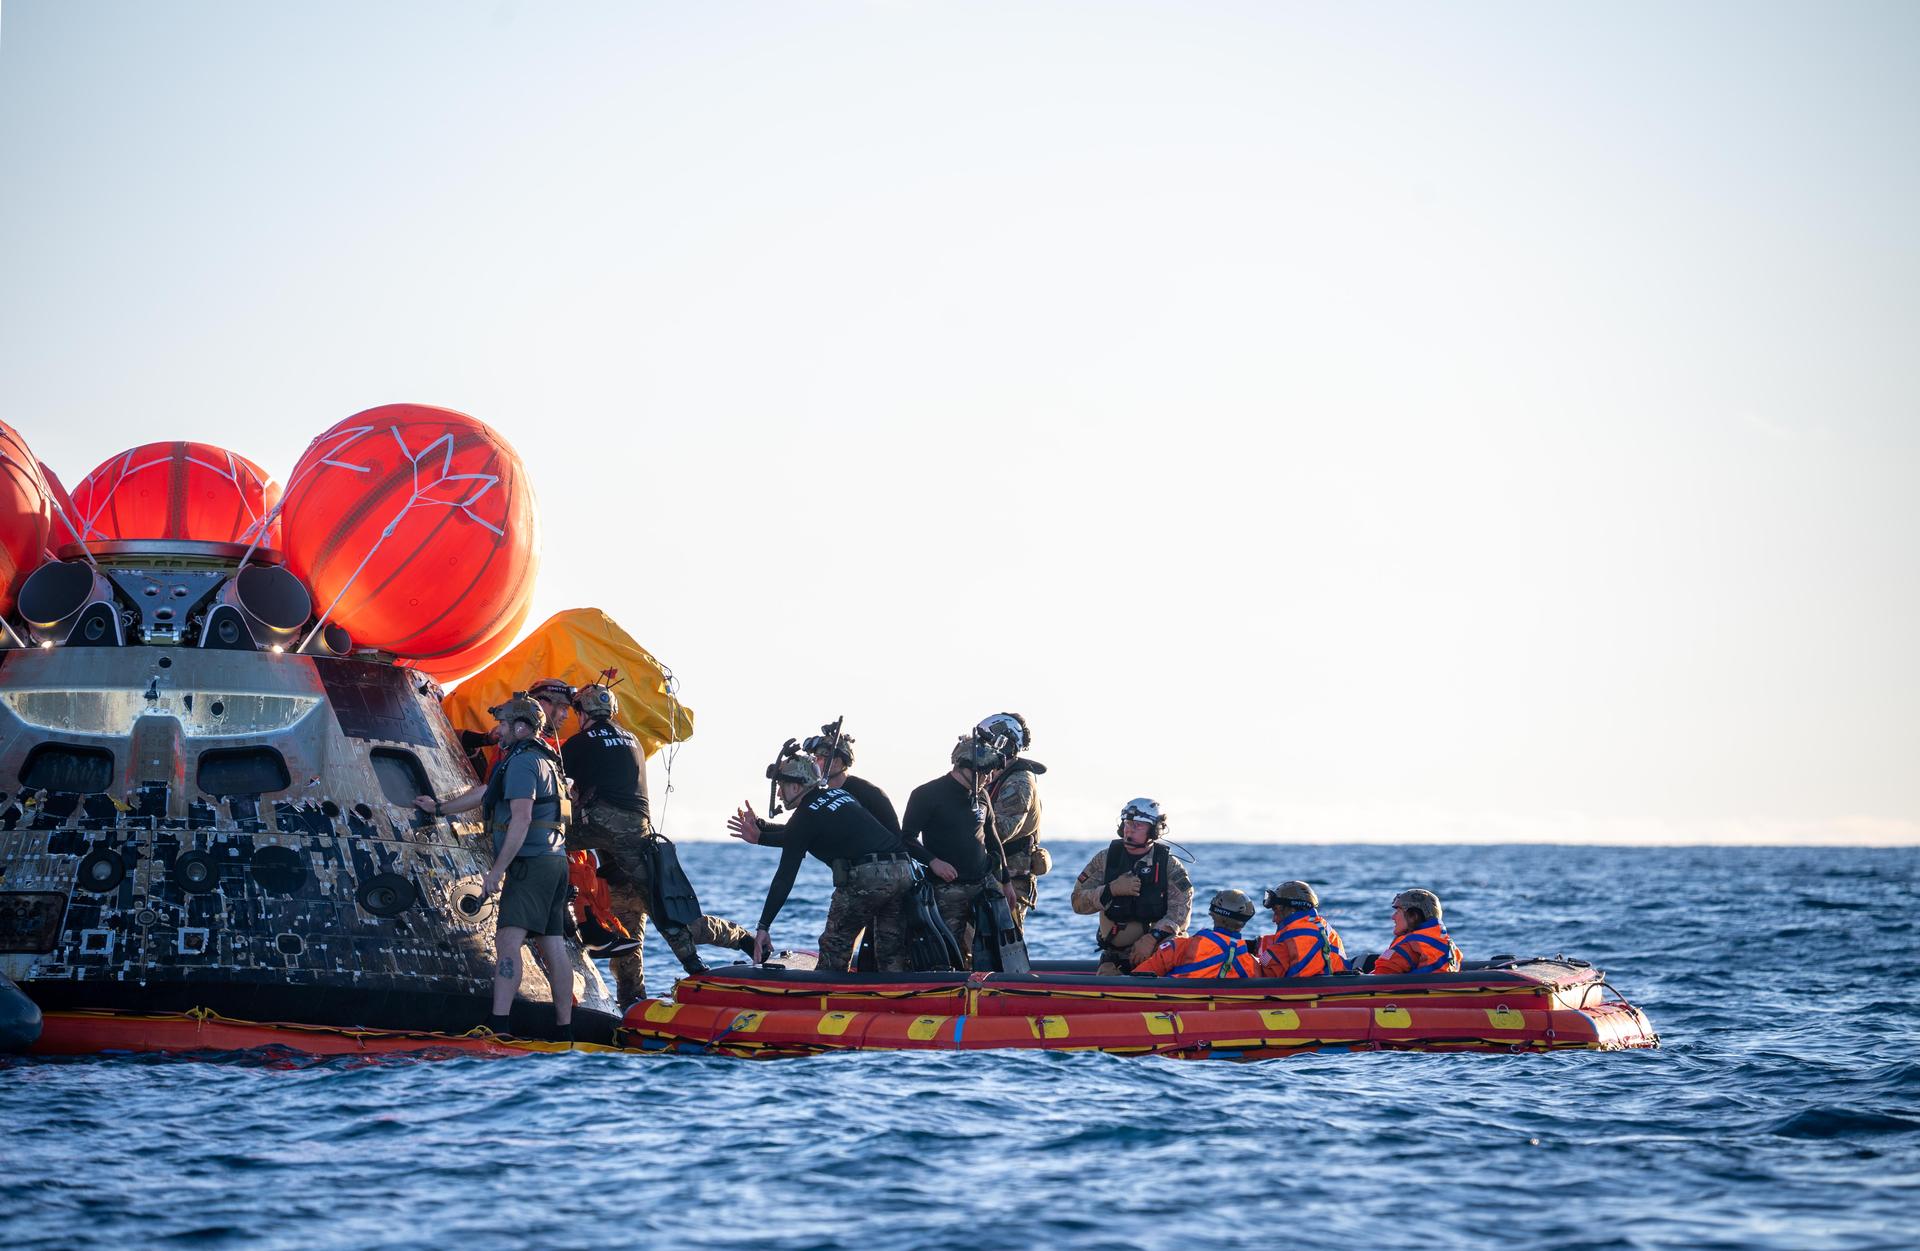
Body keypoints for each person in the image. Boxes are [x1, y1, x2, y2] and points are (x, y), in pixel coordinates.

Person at [562, 682, 753, 1001]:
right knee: (650, 928)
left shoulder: (579, 743)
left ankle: (687, 974)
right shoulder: (632, 739)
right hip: (637, 846)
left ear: (582, 713)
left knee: (546, 837)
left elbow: (552, 779)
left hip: (615, 841)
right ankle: (738, 943)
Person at [415, 694, 572, 1040]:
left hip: (530, 864)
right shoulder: (543, 759)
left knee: (507, 941)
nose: (497, 731)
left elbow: (521, 818)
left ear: (520, 727)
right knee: (553, 943)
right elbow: (487, 792)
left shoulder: (522, 763)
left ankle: (498, 1026)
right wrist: (441, 807)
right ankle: (565, 1031)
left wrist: (498, 870)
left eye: (503, 725)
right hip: (555, 863)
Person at [728, 748, 916, 972]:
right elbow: (797, 835)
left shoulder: (806, 815)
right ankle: (896, 993)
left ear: (796, 787)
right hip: (903, 871)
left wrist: (763, 926)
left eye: (781, 786)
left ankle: (827, 994)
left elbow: (785, 875)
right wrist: (761, 833)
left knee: (834, 945)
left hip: (868, 878)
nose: (779, 793)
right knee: (890, 948)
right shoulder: (840, 795)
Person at [899, 736, 1018, 967]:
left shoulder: (981, 794)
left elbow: (993, 840)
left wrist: (1006, 882)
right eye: (985, 773)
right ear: (966, 769)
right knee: (949, 947)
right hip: (947, 888)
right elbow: (907, 839)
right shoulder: (926, 794)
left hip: (984, 883)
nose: (989, 779)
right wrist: (933, 862)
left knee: (1003, 941)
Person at [1070, 798, 1194, 974]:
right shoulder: (1105, 860)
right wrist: (1111, 890)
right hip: (1117, 956)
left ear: (1154, 830)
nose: (1130, 829)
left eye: (1138, 825)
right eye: (1128, 823)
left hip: (1157, 952)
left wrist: (1153, 938)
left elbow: (1180, 913)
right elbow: (1077, 902)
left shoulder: (1169, 866)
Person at [978, 712, 1047, 927]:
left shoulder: (1019, 782)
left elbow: (1002, 829)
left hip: (1010, 878)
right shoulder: (989, 778)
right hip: (988, 874)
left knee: (1004, 945)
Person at [1133, 889, 1260, 978]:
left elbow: (1138, 977)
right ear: (1244, 922)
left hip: (1173, 1007)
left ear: (1212, 914)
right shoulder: (1251, 964)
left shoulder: (1182, 947)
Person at [803, 725, 900, 835]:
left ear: (836, 762)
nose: (813, 764)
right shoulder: (825, 795)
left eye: (818, 758)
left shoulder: (868, 792)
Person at [1253, 880, 1350, 977]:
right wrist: (1254, 945)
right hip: (1337, 981)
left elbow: (1266, 966)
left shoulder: (1297, 934)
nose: (1274, 919)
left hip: (1310, 988)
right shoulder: (1320, 926)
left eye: (1276, 911)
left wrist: (1250, 958)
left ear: (1292, 909)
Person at [1370, 888, 1463, 974]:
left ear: (1413, 916)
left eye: (1398, 912)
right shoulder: (1447, 944)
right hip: (1439, 989)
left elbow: (1381, 975)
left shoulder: (1408, 945)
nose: (1393, 917)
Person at [526, 677, 575, 751]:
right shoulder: (525, 740)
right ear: (541, 704)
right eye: (563, 707)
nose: (566, 716)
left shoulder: (511, 733)